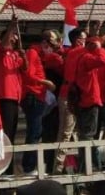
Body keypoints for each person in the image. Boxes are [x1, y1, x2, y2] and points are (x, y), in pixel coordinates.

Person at [0, 15, 26, 175]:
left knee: (10, 136)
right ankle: (1, 168)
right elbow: (5, 43)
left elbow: (24, 68)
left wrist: (23, 54)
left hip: (13, 99)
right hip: (3, 98)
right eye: (12, 38)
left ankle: (9, 170)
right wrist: (12, 25)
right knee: (2, 135)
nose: (14, 41)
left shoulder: (15, 55)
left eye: (15, 39)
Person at [73, 36, 105, 171]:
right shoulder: (87, 58)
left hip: (85, 101)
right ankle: (87, 167)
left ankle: (90, 166)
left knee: (87, 135)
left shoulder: (82, 58)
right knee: (89, 135)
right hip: (90, 101)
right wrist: (99, 48)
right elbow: (103, 60)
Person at [54, 27, 87, 174]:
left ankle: (75, 167)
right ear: (77, 40)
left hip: (78, 96)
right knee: (65, 133)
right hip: (68, 96)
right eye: (84, 39)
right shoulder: (75, 52)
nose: (86, 42)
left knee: (76, 133)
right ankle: (58, 168)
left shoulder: (71, 53)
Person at [31, 29, 65, 174]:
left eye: (51, 40)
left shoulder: (60, 56)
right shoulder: (36, 54)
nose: (48, 43)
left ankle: (56, 169)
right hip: (42, 102)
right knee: (44, 135)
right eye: (45, 39)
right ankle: (44, 168)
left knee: (58, 136)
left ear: (59, 42)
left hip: (59, 103)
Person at [20, 42, 56, 175]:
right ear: (45, 44)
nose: (52, 50)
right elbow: (29, 74)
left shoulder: (37, 55)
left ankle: (29, 166)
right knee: (34, 132)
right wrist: (46, 82)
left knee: (35, 131)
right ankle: (29, 167)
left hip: (37, 96)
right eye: (51, 46)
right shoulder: (32, 53)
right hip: (33, 95)